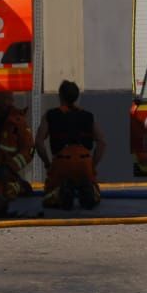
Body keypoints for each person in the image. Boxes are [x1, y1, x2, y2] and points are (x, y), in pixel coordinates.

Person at [36, 80, 106, 210]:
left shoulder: (51, 115)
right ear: (76, 96)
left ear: (60, 96)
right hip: (84, 160)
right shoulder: (88, 116)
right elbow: (102, 142)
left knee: (47, 198)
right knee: (96, 195)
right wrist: (92, 165)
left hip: (62, 161)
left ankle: (60, 193)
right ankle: (89, 192)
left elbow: (39, 142)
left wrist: (47, 164)